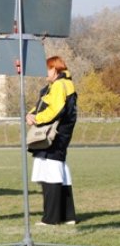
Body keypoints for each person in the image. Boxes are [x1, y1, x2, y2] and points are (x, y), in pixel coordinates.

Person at [26, 55, 78, 225]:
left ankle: (51, 218)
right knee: (61, 172)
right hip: (62, 134)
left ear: (55, 69)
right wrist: (31, 113)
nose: (45, 73)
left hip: (55, 135)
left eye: (47, 69)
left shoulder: (59, 85)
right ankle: (68, 215)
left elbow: (55, 109)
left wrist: (36, 118)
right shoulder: (63, 84)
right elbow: (45, 103)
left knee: (51, 173)